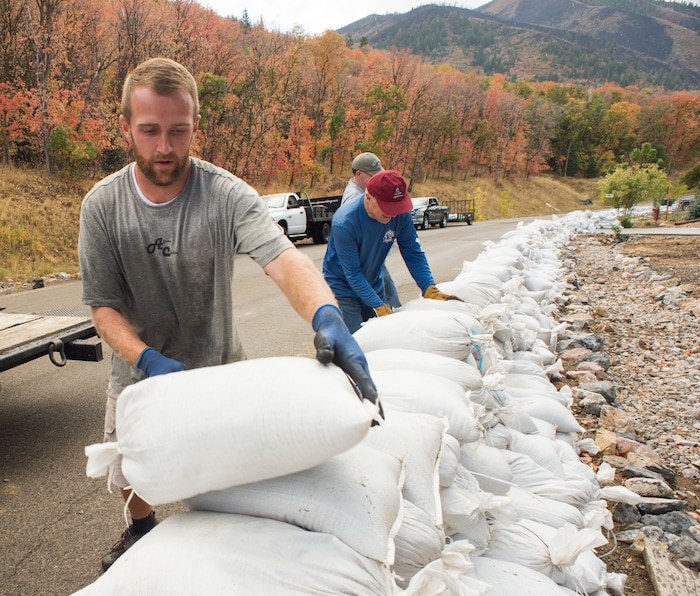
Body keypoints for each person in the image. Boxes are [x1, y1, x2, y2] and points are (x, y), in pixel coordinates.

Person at [78, 57, 378, 571]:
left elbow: (284, 260)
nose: (165, 147)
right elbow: (103, 308)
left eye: (179, 131)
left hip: (220, 367)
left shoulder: (226, 194)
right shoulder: (102, 207)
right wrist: (146, 359)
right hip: (138, 371)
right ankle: (141, 529)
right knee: (132, 476)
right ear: (126, 128)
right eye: (149, 131)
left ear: (197, 126)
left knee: (228, 478)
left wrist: (327, 316)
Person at [323, 169, 460, 333]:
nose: (392, 213)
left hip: (373, 284)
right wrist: (379, 306)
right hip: (342, 289)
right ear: (368, 197)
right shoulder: (345, 222)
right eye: (386, 207)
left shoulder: (399, 214)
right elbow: (352, 273)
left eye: (396, 207)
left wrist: (428, 286)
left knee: (382, 337)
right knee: (355, 341)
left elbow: (413, 252)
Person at [341, 152, 401, 310]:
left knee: (385, 287)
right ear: (359, 174)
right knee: (385, 290)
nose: (376, 179)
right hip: (366, 255)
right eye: (372, 175)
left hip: (373, 253)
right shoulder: (353, 197)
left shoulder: (365, 190)